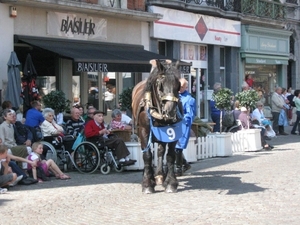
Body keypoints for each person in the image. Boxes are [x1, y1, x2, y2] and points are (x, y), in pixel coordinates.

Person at [175, 78, 196, 176]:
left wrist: (183, 122)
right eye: (179, 86)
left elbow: (190, 114)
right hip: (173, 125)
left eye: (182, 87)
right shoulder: (174, 95)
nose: (180, 88)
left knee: (178, 147)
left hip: (183, 125)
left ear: (186, 87)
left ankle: (178, 168)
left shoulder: (189, 99)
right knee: (173, 146)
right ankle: (185, 164)